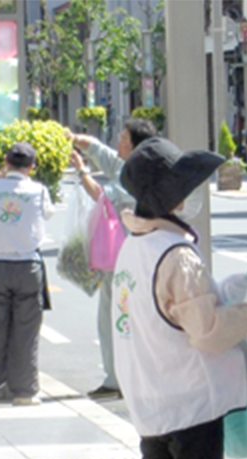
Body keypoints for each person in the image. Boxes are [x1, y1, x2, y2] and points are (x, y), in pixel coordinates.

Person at [114, 137, 247, 459]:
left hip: (149, 400)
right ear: (172, 199)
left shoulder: (133, 248)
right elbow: (206, 331)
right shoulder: (176, 254)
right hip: (189, 402)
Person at [64, 118, 156, 399]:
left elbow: (102, 195)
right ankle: (125, 376)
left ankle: (118, 379)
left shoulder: (135, 178)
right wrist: (75, 138)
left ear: (134, 144)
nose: (118, 142)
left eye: (123, 138)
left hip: (125, 259)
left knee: (115, 318)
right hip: (130, 257)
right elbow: (103, 153)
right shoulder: (133, 168)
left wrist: (81, 172)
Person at [0, 142, 55, 407]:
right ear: (32, 166)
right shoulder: (39, 190)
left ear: (6, 163)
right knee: (26, 330)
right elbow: (49, 214)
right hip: (28, 264)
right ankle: (23, 391)